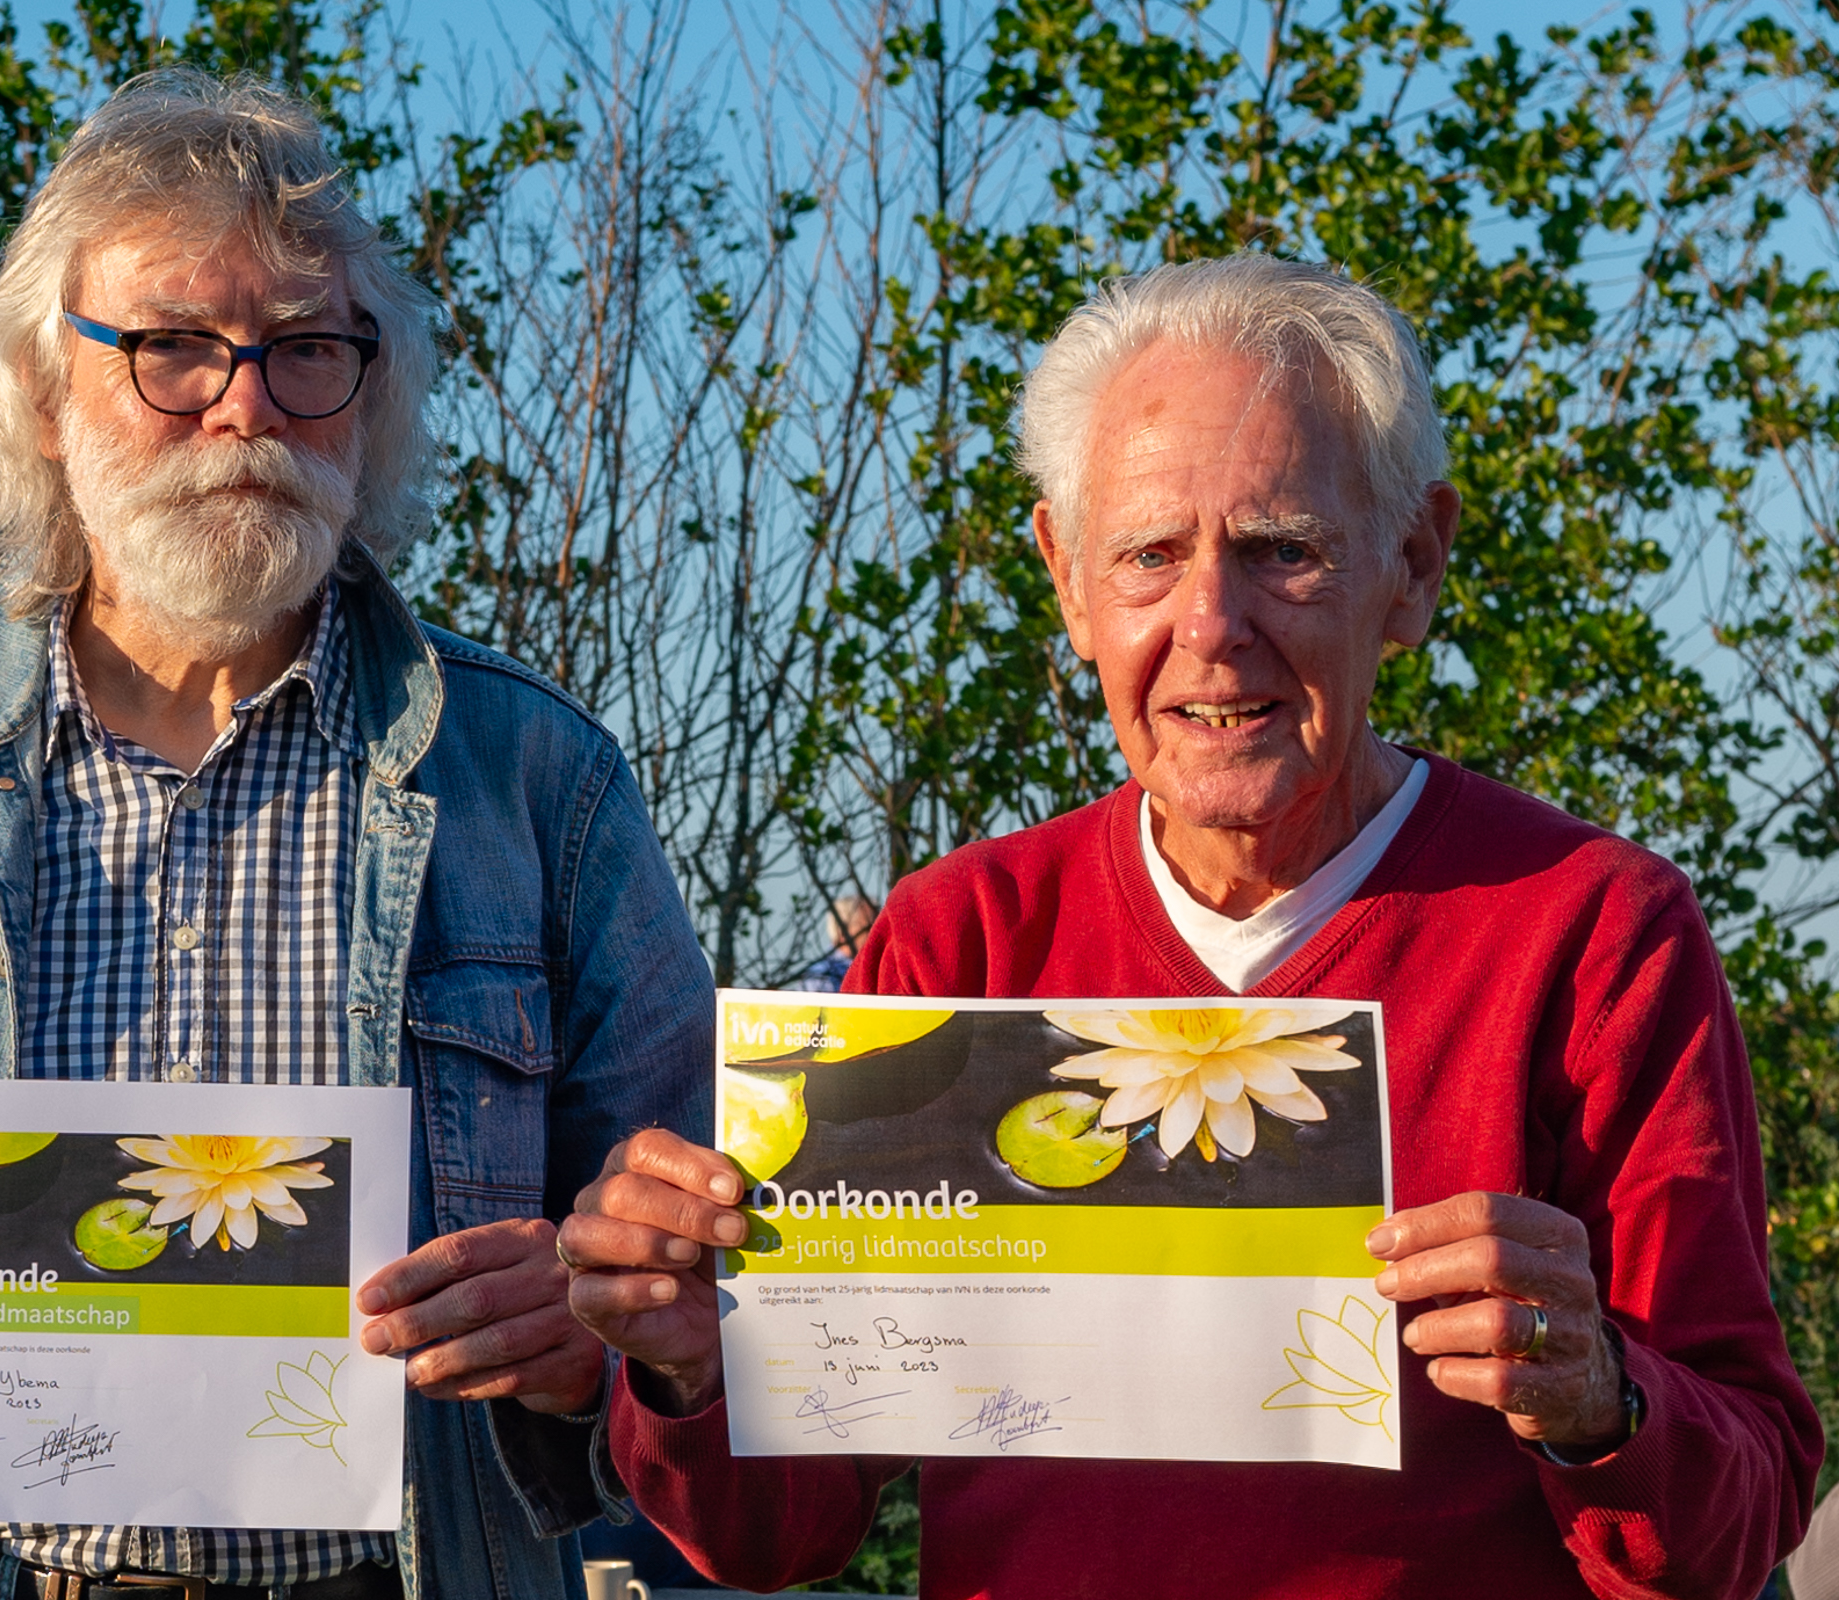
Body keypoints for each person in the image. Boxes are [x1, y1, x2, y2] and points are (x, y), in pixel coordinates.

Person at [0, 69, 710, 1600]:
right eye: (175, 349)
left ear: (369, 394)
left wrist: (603, 1340)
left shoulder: (537, 777)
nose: (246, 405)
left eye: (305, 348)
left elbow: (711, 1307)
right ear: (47, 399)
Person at [558, 254, 1822, 1598]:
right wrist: (689, 1365)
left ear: (1415, 564)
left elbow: (1742, 1524)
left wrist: (1601, 1403)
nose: (1213, 625)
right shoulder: (960, 942)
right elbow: (774, 1534)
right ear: (1066, 579)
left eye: (1284, 550)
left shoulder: (1590, 935)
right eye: (1149, 556)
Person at [795, 894, 877, 992]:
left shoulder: (876, 970)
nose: (877, 933)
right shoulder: (821, 978)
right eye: (869, 927)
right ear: (843, 932)